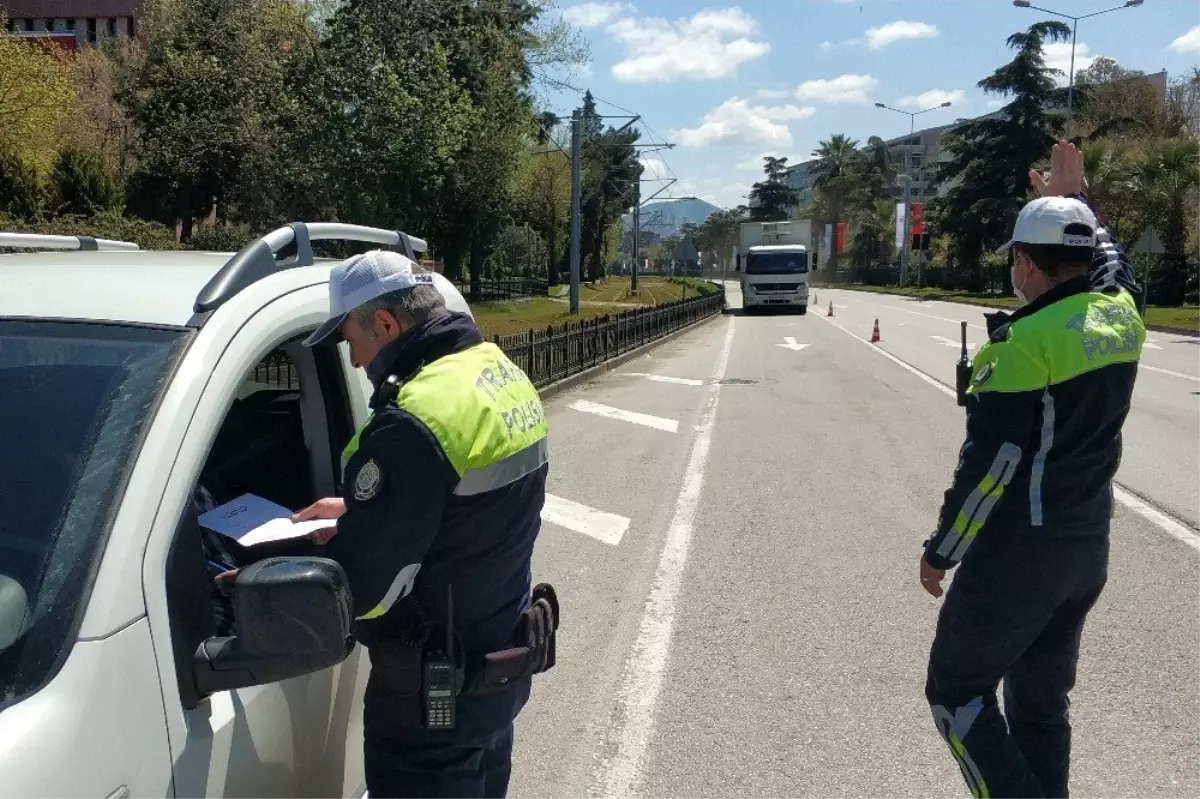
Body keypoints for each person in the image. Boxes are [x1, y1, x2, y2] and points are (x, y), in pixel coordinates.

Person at [919, 140, 1144, 799]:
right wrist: (1078, 201)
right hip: (1085, 550)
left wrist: (942, 551)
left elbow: (989, 473)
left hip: (1020, 556)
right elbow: (1116, 268)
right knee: (1040, 701)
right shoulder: (1122, 316)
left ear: (1023, 262)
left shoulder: (1019, 348)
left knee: (955, 692)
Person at [291, 250, 552, 798]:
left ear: (385, 324)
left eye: (350, 341)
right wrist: (373, 508)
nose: (356, 362)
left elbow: (367, 590)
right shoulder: (497, 373)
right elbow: (469, 502)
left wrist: (273, 574)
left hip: (433, 703)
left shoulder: (415, 419)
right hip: (497, 667)